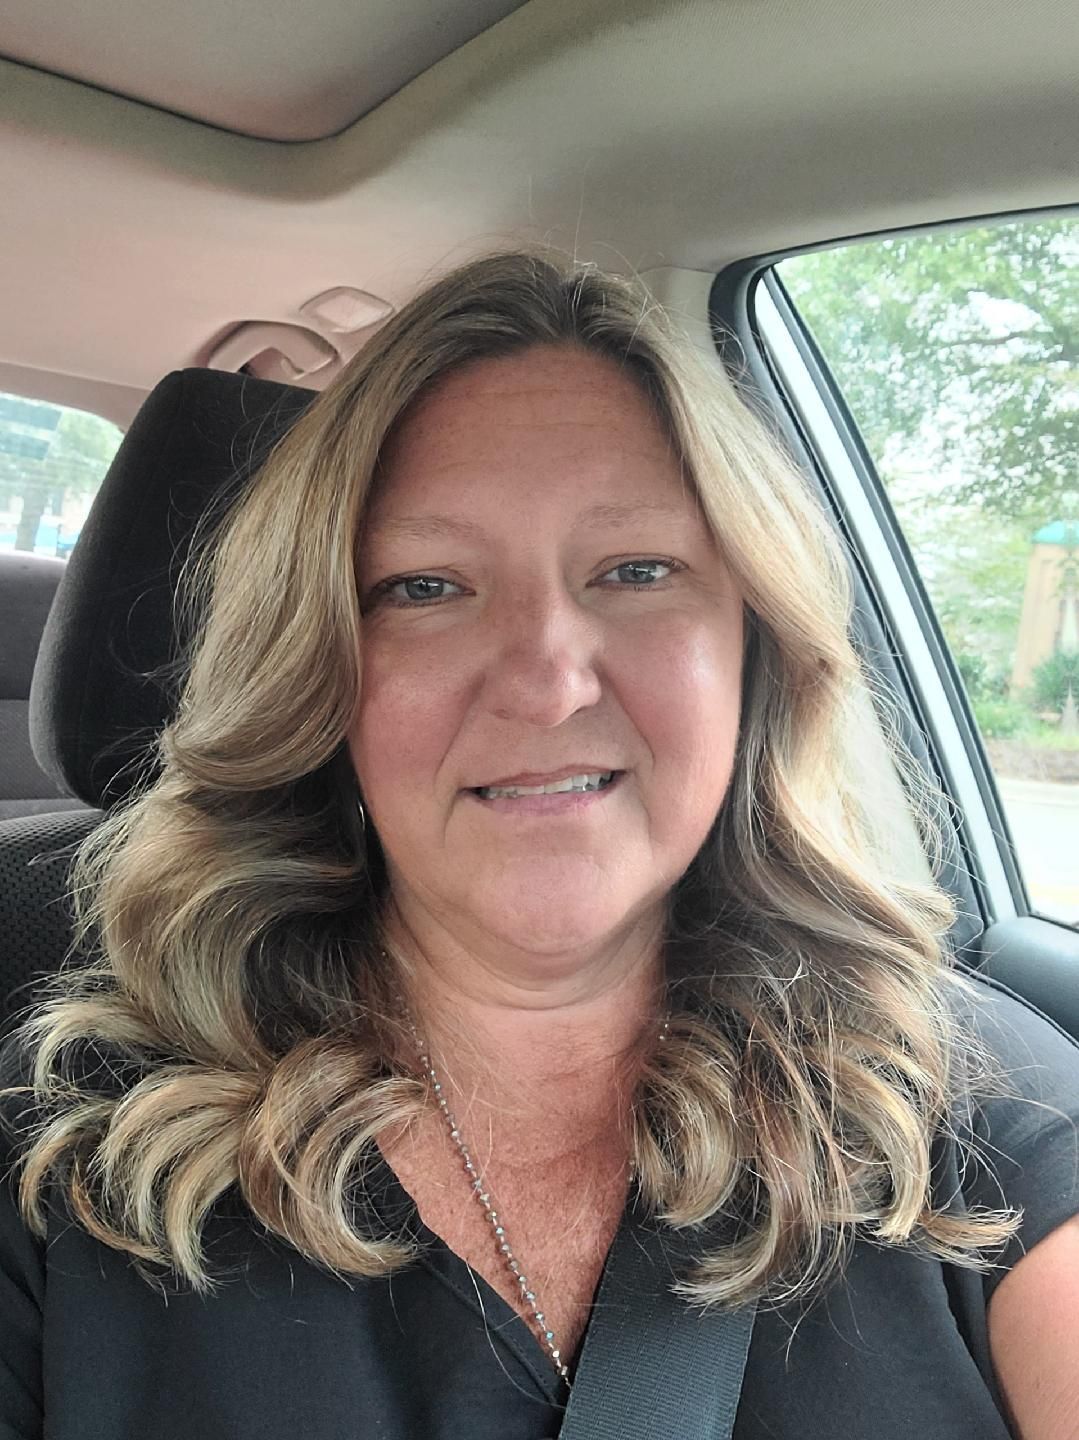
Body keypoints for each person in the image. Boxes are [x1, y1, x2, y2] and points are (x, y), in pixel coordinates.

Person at [1, 250, 1078, 1440]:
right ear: (317, 672)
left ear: (753, 651)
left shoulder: (978, 1120)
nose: (546, 683)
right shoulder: (63, 1155)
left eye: (635, 570)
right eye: (424, 586)